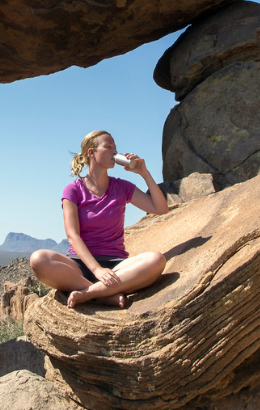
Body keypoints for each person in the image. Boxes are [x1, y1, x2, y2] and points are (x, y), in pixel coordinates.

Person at [29, 130, 168, 308]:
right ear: (92, 153)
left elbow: (160, 209)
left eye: (115, 148)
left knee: (156, 260)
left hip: (116, 265)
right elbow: (72, 235)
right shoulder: (73, 190)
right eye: (108, 147)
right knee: (38, 259)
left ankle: (90, 293)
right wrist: (97, 270)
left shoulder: (122, 187)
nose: (115, 152)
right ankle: (105, 295)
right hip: (79, 265)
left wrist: (144, 173)